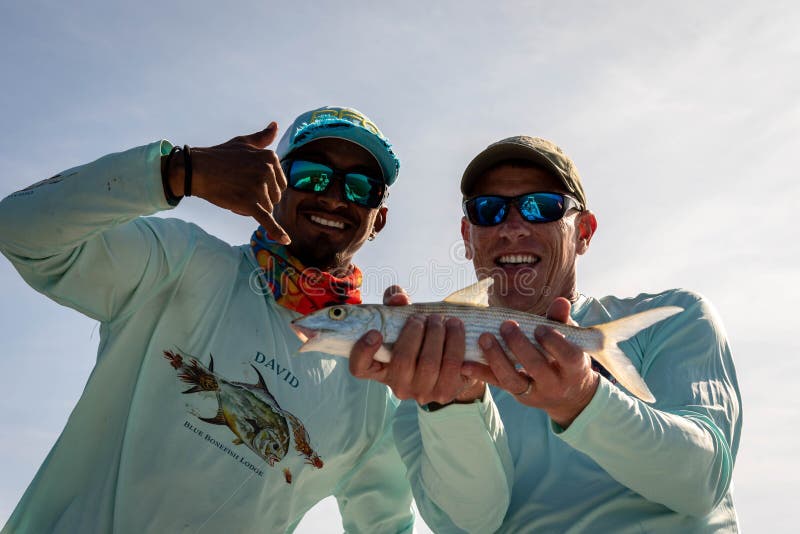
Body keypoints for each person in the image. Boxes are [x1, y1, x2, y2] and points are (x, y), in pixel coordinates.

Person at [0, 106, 415, 533]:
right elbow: (18, 228)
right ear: (276, 182)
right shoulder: (180, 263)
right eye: (312, 175)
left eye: (362, 187)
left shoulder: (373, 387)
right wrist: (179, 171)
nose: (333, 196)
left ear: (378, 219)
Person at [350, 135, 742, 532]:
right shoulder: (420, 389)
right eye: (489, 210)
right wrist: (452, 405)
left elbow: (700, 483)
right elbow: (470, 524)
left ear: (584, 232)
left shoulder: (674, 319)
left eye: (542, 207)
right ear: (468, 238)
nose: (513, 227)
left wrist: (583, 400)